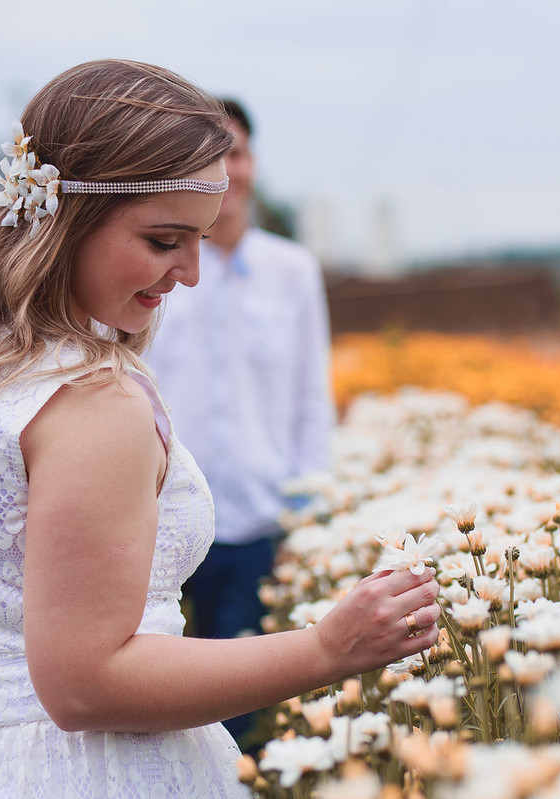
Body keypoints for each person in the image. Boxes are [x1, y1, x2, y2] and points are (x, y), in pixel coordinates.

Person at [0, 59, 440, 798]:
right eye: (166, 240)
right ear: (65, 216)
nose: (192, 273)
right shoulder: (89, 402)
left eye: (201, 238)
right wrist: (328, 648)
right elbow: (84, 689)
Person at [144, 99, 333, 743]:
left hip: (256, 518)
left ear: (253, 163)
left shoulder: (293, 272)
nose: (227, 169)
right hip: (156, 520)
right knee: (152, 698)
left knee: (237, 714)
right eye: (208, 156)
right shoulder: (152, 269)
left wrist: (305, 510)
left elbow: (313, 397)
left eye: (236, 152)